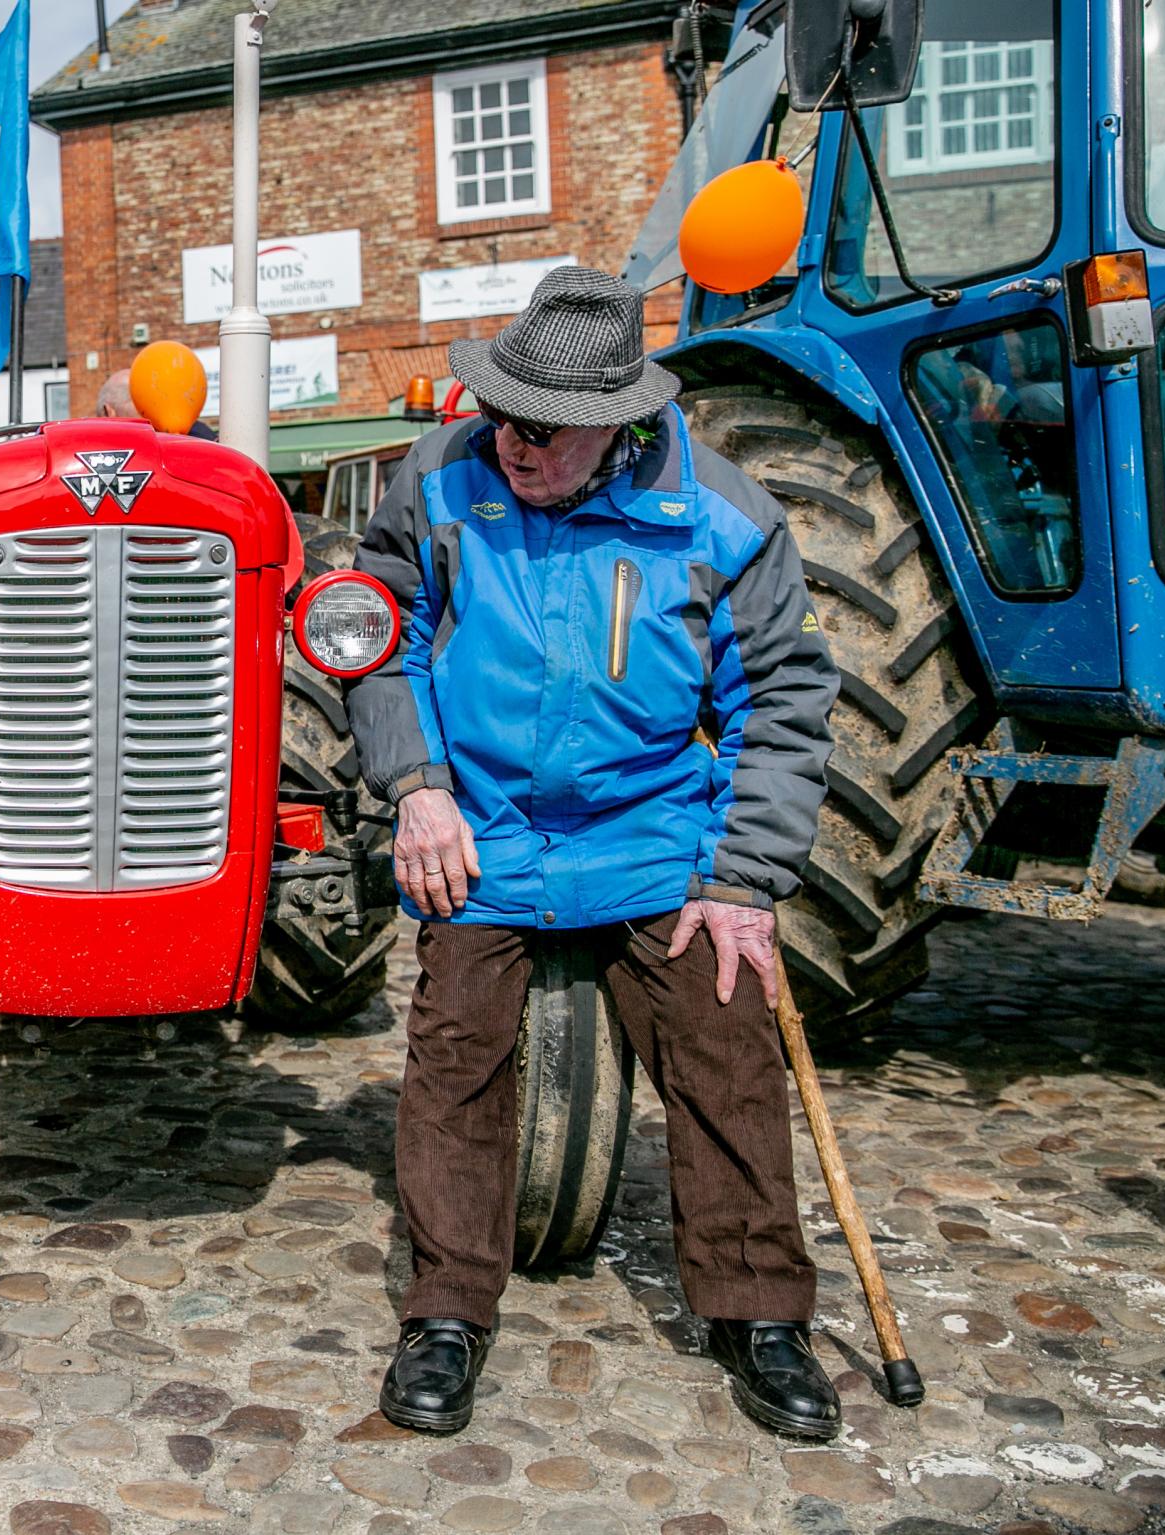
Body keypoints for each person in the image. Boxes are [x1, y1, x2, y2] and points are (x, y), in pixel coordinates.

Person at [344, 266, 843, 1442]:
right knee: (454, 1049)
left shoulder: (721, 513)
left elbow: (785, 695)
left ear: (618, 426)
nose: (517, 444)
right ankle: (449, 1308)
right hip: (484, 828)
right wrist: (416, 786)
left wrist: (743, 877)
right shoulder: (439, 476)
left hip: (652, 833)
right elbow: (379, 633)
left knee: (727, 1035)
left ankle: (758, 1308)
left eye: (548, 430)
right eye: (507, 415)